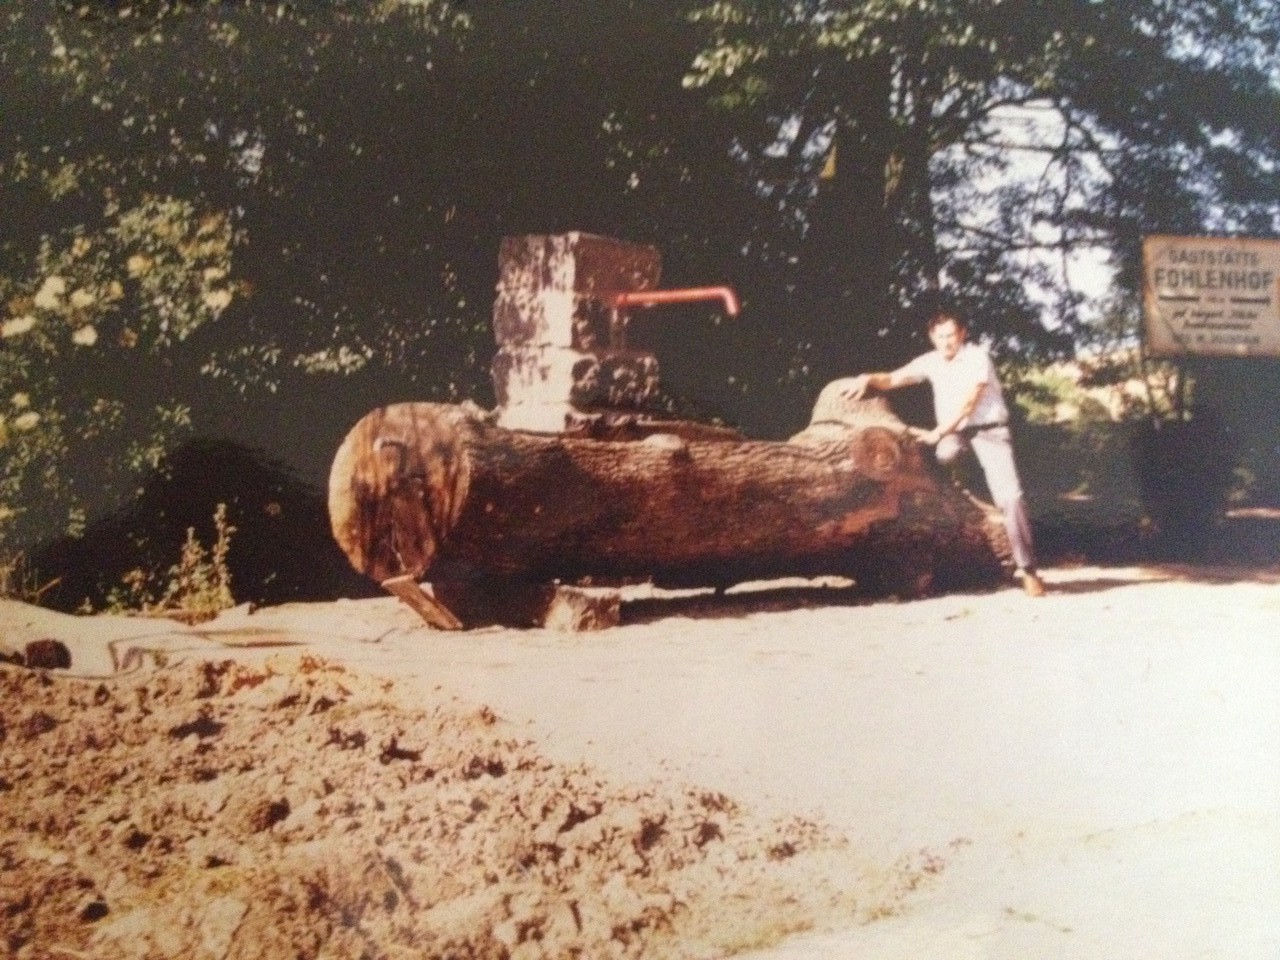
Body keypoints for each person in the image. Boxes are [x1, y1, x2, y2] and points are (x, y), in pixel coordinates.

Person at [841, 312, 1047, 597]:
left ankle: (1029, 570)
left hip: (989, 431)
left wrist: (938, 432)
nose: (947, 342)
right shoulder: (930, 361)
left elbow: (968, 405)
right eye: (941, 336)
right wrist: (867, 378)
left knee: (1011, 497)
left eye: (951, 335)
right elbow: (892, 379)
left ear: (962, 334)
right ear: (932, 338)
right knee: (944, 455)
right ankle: (965, 493)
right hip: (955, 435)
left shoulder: (977, 358)